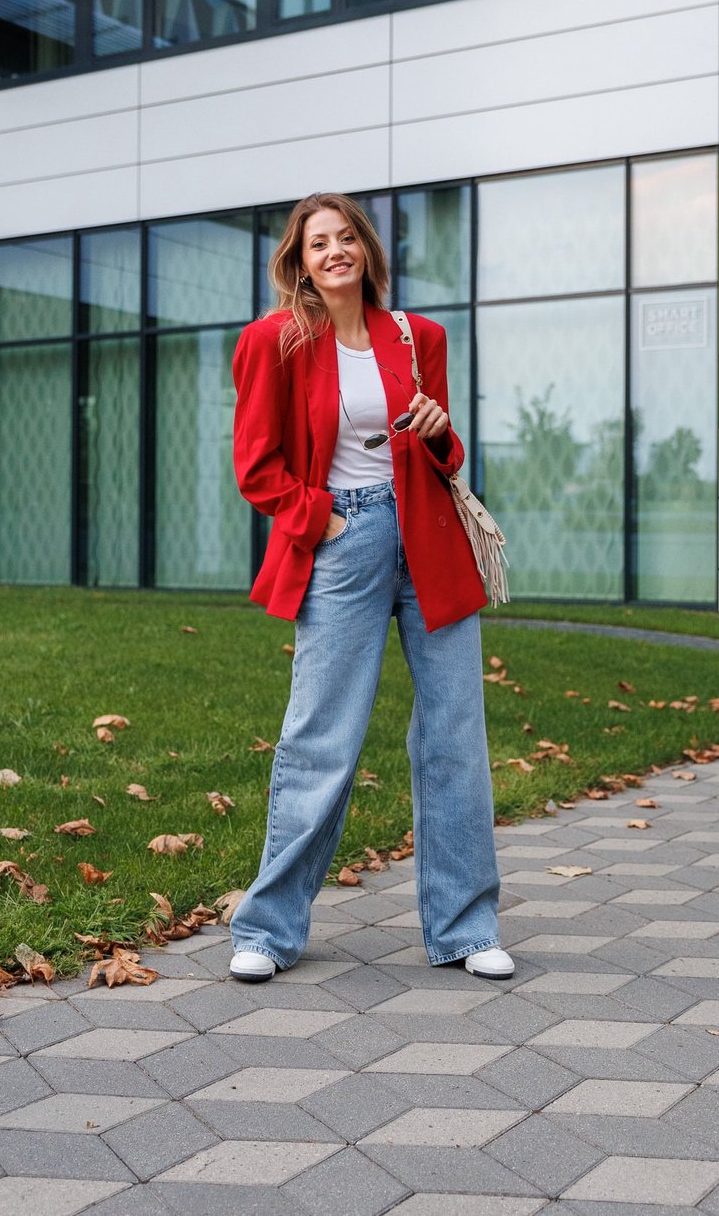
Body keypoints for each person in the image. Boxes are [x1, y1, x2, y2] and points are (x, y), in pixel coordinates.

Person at [227, 192, 512, 983]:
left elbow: (451, 457)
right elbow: (256, 464)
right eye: (318, 242)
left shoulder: (418, 337)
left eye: (346, 236)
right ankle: (267, 928)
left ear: (366, 250)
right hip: (344, 544)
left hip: (431, 542)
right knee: (321, 737)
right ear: (300, 259)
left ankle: (466, 924)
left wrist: (436, 429)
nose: (334, 251)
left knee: (454, 733)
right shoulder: (274, 341)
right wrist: (319, 521)